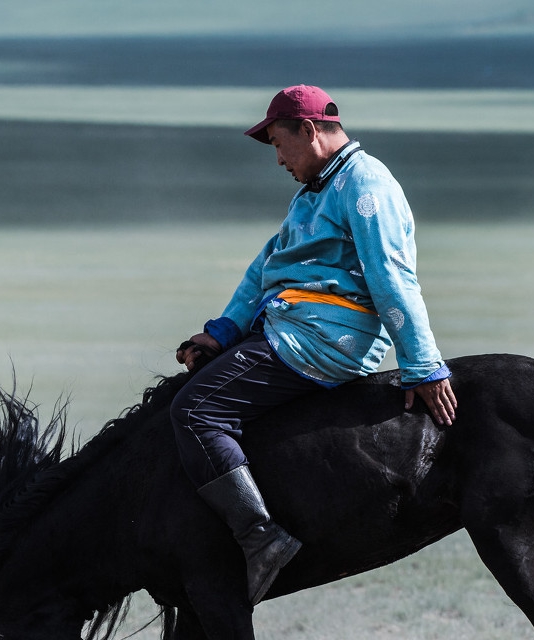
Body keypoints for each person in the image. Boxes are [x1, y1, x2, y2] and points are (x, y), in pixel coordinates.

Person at [172, 84, 457, 605]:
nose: (278, 158)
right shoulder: (315, 191)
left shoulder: (366, 186)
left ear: (309, 130)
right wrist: (221, 332)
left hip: (324, 340)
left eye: (280, 144)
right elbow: (266, 267)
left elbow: (392, 278)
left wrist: (423, 365)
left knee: (196, 411)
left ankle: (263, 541)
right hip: (290, 328)